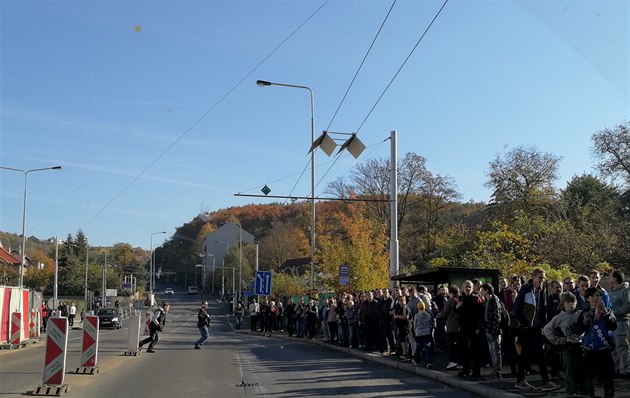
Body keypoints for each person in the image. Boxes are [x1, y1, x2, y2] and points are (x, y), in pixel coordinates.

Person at [513, 269, 559, 391]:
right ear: (533, 277)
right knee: (525, 354)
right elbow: (517, 308)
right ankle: (521, 380)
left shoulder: (542, 289)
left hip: (537, 326)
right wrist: (524, 323)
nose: (542, 280)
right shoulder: (525, 289)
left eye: (543, 278)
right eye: (540, 277)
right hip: (527, 327)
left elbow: (543, 308)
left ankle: (545, 381)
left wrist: (543, 324)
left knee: (540, 355)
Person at [576, 287, 617, 398]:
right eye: (592, 296)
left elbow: (613, 326)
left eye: (598, 295)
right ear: (587, 298)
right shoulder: (585, 312)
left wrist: (605, 313)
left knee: (608, 381)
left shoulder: (607, 311)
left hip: (604, 351)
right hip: (589, 352)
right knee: (588, 381)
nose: (595, 298)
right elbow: (578, 330)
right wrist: (584, 322)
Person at [543, 291, 584, 396]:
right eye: (568, 302)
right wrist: (558, 340)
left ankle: (580, 391)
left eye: (573, 302)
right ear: (563, 304)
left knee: (581, 371)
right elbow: (547, 329)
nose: (571, 304)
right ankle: (570, 392)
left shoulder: (580, 314)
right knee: (569, 370)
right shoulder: (559, 317)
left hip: (581, 346)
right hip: (568, 346)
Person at [479, 283, 504, 380]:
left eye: (482, 290)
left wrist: (494, 330)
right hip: (488, 329)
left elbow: (497, 318)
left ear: (486, 290)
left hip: (493, 330)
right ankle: (495, 371)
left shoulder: (494, 302)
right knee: (493, 352)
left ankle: (497, 372)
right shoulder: (487, 301)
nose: (480, 292)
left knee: (496, 352)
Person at [608, 269, 630, 377]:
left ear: (616, 278)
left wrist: (614, 313)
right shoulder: (611, 290)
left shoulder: (625, 290)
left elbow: (627, 306)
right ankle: (617, 369)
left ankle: (624, 370)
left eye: (611, 276)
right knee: (615, 347)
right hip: (612, 323)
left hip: (621, 323)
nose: (609, 278)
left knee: (622, 346)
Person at [437, 285, 460, 370]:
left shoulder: (450, 301)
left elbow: (445, 312)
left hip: (452, 325)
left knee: (452, 345)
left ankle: (453, 361)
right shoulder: (458, 299)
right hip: (458, 326)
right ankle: (458, 361)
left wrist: (438, 315)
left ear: (450, 293)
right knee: (457, 345)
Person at [412, 300, 435, 368]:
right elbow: (431, 324)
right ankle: (429, 362)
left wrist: (415, 331)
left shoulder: (416, 316)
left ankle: (416, 360)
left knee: (418, 347)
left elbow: (414, 325)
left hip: (419, 333)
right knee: (427, 347)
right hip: (427, 333)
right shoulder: (428, 315)